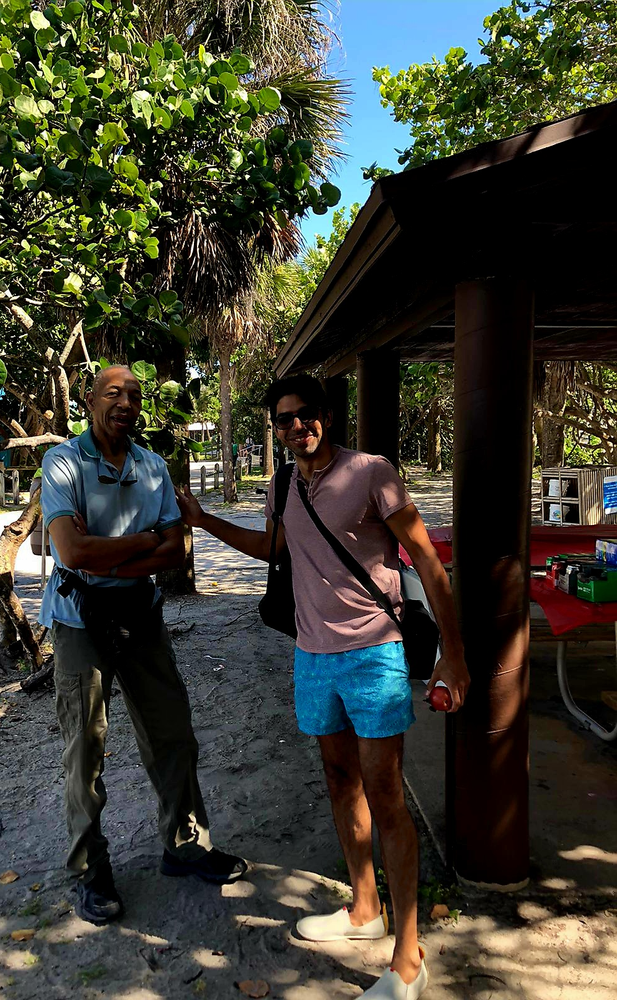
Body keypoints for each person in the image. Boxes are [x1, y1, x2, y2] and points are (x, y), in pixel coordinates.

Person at [175, 374, 469, 1000]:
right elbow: (275, 550)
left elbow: (427, 561)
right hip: (312, 657)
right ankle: (365, 911)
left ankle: (409, 962)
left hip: (374, 654)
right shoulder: (283, 484)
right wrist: (204, 520)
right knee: (340, 782)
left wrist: (454, 656)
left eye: (306, 415)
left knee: (385, 792)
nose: (296, 427)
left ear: (327, 417)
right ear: (275, 429)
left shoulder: (371, 472)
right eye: (283, 419)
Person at [39, 365, 246, 927]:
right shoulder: (62, 463)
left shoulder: (152, 467)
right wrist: (141, 543)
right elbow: (70, 553)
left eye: (134, 394)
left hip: (141, 616)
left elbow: (175, 552)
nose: (125, 402)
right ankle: (88, 869)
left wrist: (109, 547)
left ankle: (185, 846)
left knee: (172, 733)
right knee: (85, 748)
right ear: (89, 400)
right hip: (81, 622)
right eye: (113, 393)